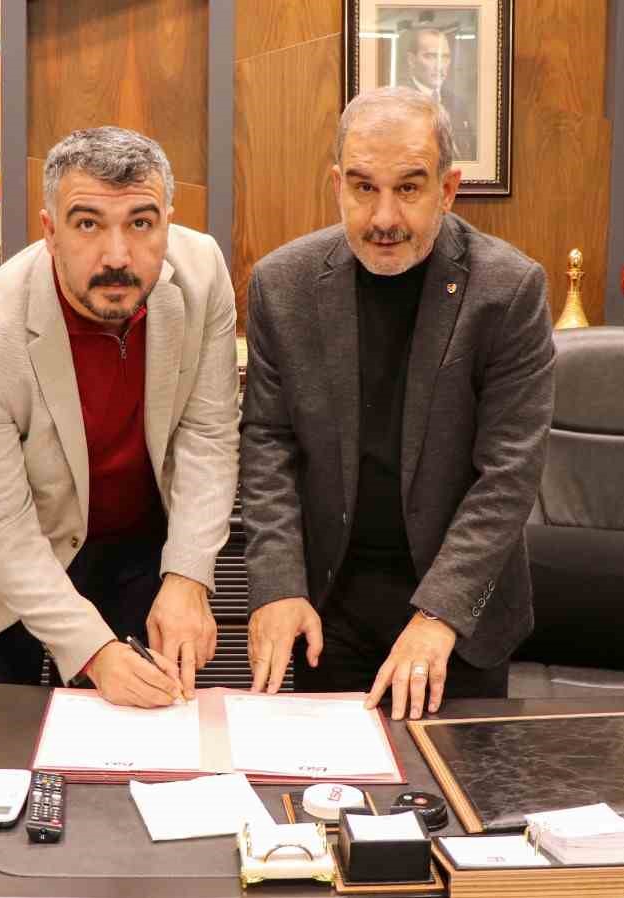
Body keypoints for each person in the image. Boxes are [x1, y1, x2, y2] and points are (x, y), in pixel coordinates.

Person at [239, 88, 554, 720]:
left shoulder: (508, 290)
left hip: (457, 616)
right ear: (337, 185)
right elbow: (268, 444)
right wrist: (276, 586)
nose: (384, 217)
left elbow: (508, 475)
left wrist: (439, 613)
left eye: (408, 188)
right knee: (331, 778)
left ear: (448, 189)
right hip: (331, 608)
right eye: (363, 188)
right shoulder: (282, 285)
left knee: (455, 780)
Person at [0, 126, 240, 707]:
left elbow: (208, 435)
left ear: (168, 223)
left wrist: (188, 573)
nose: (117, 256)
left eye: (141, 223)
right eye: (88, 224)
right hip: (0, 573)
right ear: (50, 232)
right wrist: (94, 652)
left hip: (134, 551)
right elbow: (1, 527)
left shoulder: (203, 274)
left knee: (143, 738)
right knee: (0, 748)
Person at [399, 25, 476, 161]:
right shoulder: (399, 104)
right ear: (411, 60)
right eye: (430, 56)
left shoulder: (457, 104)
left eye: (445, 57)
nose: (440, 66)